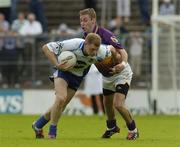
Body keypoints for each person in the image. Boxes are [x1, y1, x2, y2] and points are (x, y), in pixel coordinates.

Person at [32, 33, 117, 139]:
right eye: (92, 49)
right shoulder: (73, 44)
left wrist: (116, 63)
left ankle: (38, 125)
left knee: (60, 106)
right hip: (63, 72)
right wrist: (57, 64)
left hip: (77, 78)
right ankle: (52, 132)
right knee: (61, 98)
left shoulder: (101, 52)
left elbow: (113, 49)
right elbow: (46, 48)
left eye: (96, 49)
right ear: (86, 43)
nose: (94, 52)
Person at [79, 8, 139, 140]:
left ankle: (133, 130)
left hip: (121, 73)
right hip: (107, 76)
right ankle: (111, 127)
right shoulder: (85, 38)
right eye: (81, 21)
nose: (82, 23)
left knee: (118, 104)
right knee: (107, 103)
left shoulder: (105, 34)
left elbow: (123, 52)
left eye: (85, 20)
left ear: (93, 20)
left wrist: (121, 65)